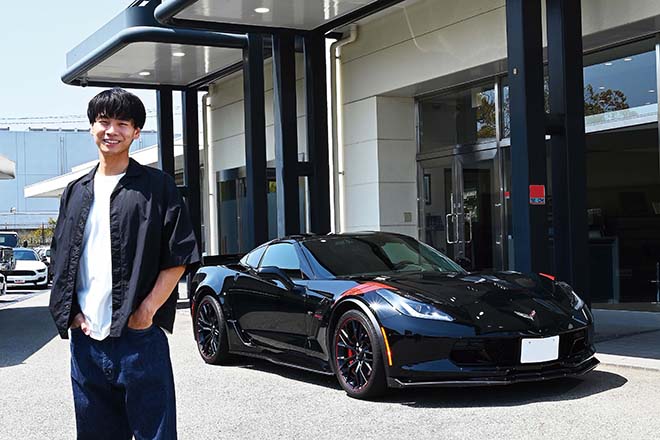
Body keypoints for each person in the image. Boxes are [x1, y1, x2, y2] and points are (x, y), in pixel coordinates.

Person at [49, 88, 200, 440]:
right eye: (104, 122)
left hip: (138, 339)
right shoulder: (76, 191)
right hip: (87, 342)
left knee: (155, 434)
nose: (111, 130)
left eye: (122, 123)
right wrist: (71, 313)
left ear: (135, 132)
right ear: (91, 127)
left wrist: (146, 312)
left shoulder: (156, 187)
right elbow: (60, 258)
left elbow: (179, 254)